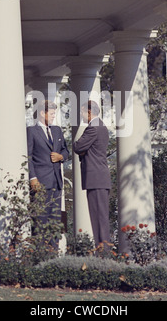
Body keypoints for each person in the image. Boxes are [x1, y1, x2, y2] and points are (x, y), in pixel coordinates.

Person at [73, 100, 112, 248]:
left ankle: (103, 252)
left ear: (89, 112)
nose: (81, 116)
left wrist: (82, 150)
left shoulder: (93, 128)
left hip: (96, 178)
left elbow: (77, 146)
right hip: (99, 178)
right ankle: (103, 250)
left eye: (82, 112)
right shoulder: (101, 126)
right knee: (100, 217)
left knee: (98, 218)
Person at [27, 100, 69, 235]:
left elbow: (65, 151)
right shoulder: (31, 131)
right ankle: (41, 253)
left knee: (56, 222)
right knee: (40, 221)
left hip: (56, 182)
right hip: (40, 183)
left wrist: (61, 157)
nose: (53, 116)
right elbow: (28, 157)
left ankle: (54, 253)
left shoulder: (57, 130)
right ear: (41, 113)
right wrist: (33, 178)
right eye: (51, 113)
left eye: (54, 113)